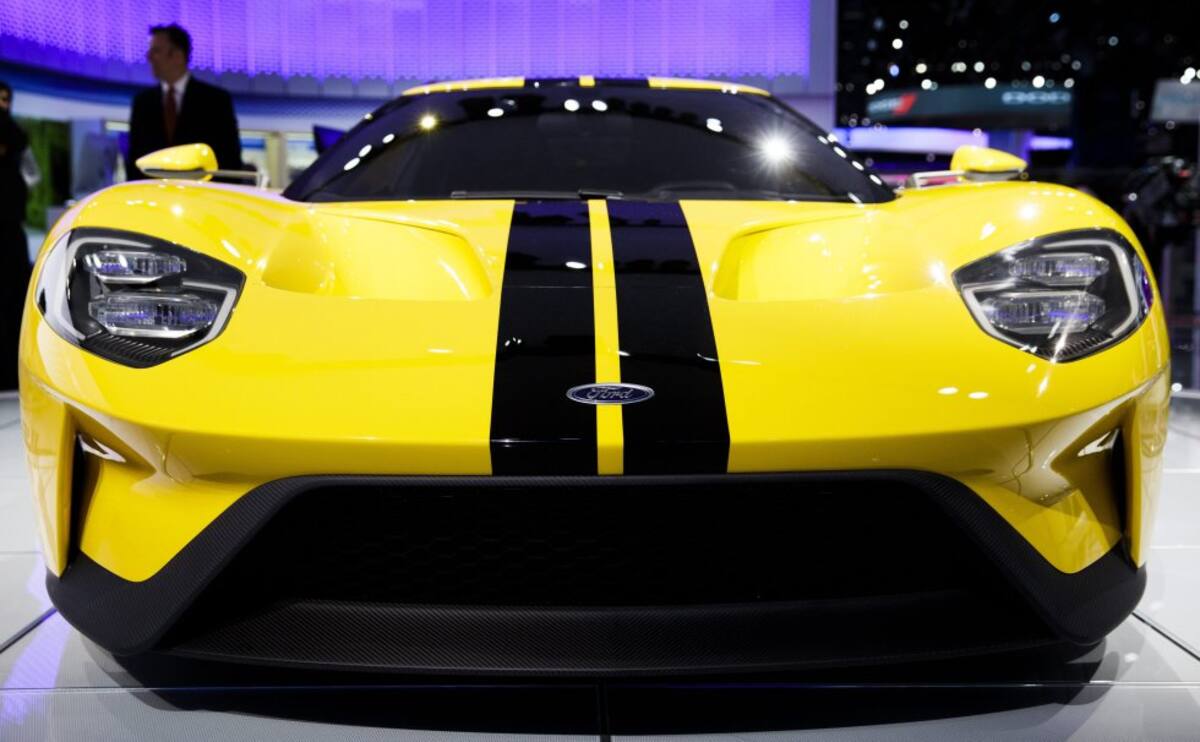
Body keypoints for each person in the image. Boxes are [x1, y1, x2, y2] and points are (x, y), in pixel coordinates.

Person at [125, 24, 243, 179]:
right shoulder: (142, 103)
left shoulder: (216, 101)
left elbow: (229, 161)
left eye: (156, 51)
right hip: (153, 192)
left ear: (178, 55)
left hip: (200, 192)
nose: (149, 57)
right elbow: (134, 162)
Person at [0, 80, 32, 389]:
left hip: (11, 232)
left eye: (6, 98)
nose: (3, 104)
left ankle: (12, 369)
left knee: (13, 302)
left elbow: (32, 176)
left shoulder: (17, 136)